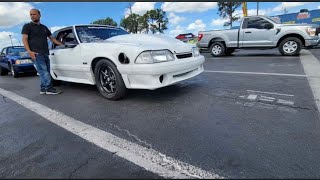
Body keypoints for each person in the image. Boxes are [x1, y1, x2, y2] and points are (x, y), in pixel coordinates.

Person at [21, 8, 63, 95]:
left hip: (45, 53)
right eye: (31, 14)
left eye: (34, 14)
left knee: (45, 71)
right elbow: (24, 39)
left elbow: (52, 38)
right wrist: (29, 51)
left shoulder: (44, 27)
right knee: (44, 72)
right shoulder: (27, 26)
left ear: (39, 15)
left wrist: (62, 45)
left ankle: (43, 89)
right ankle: (49, 89)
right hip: (36, 53)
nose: (32, 16)